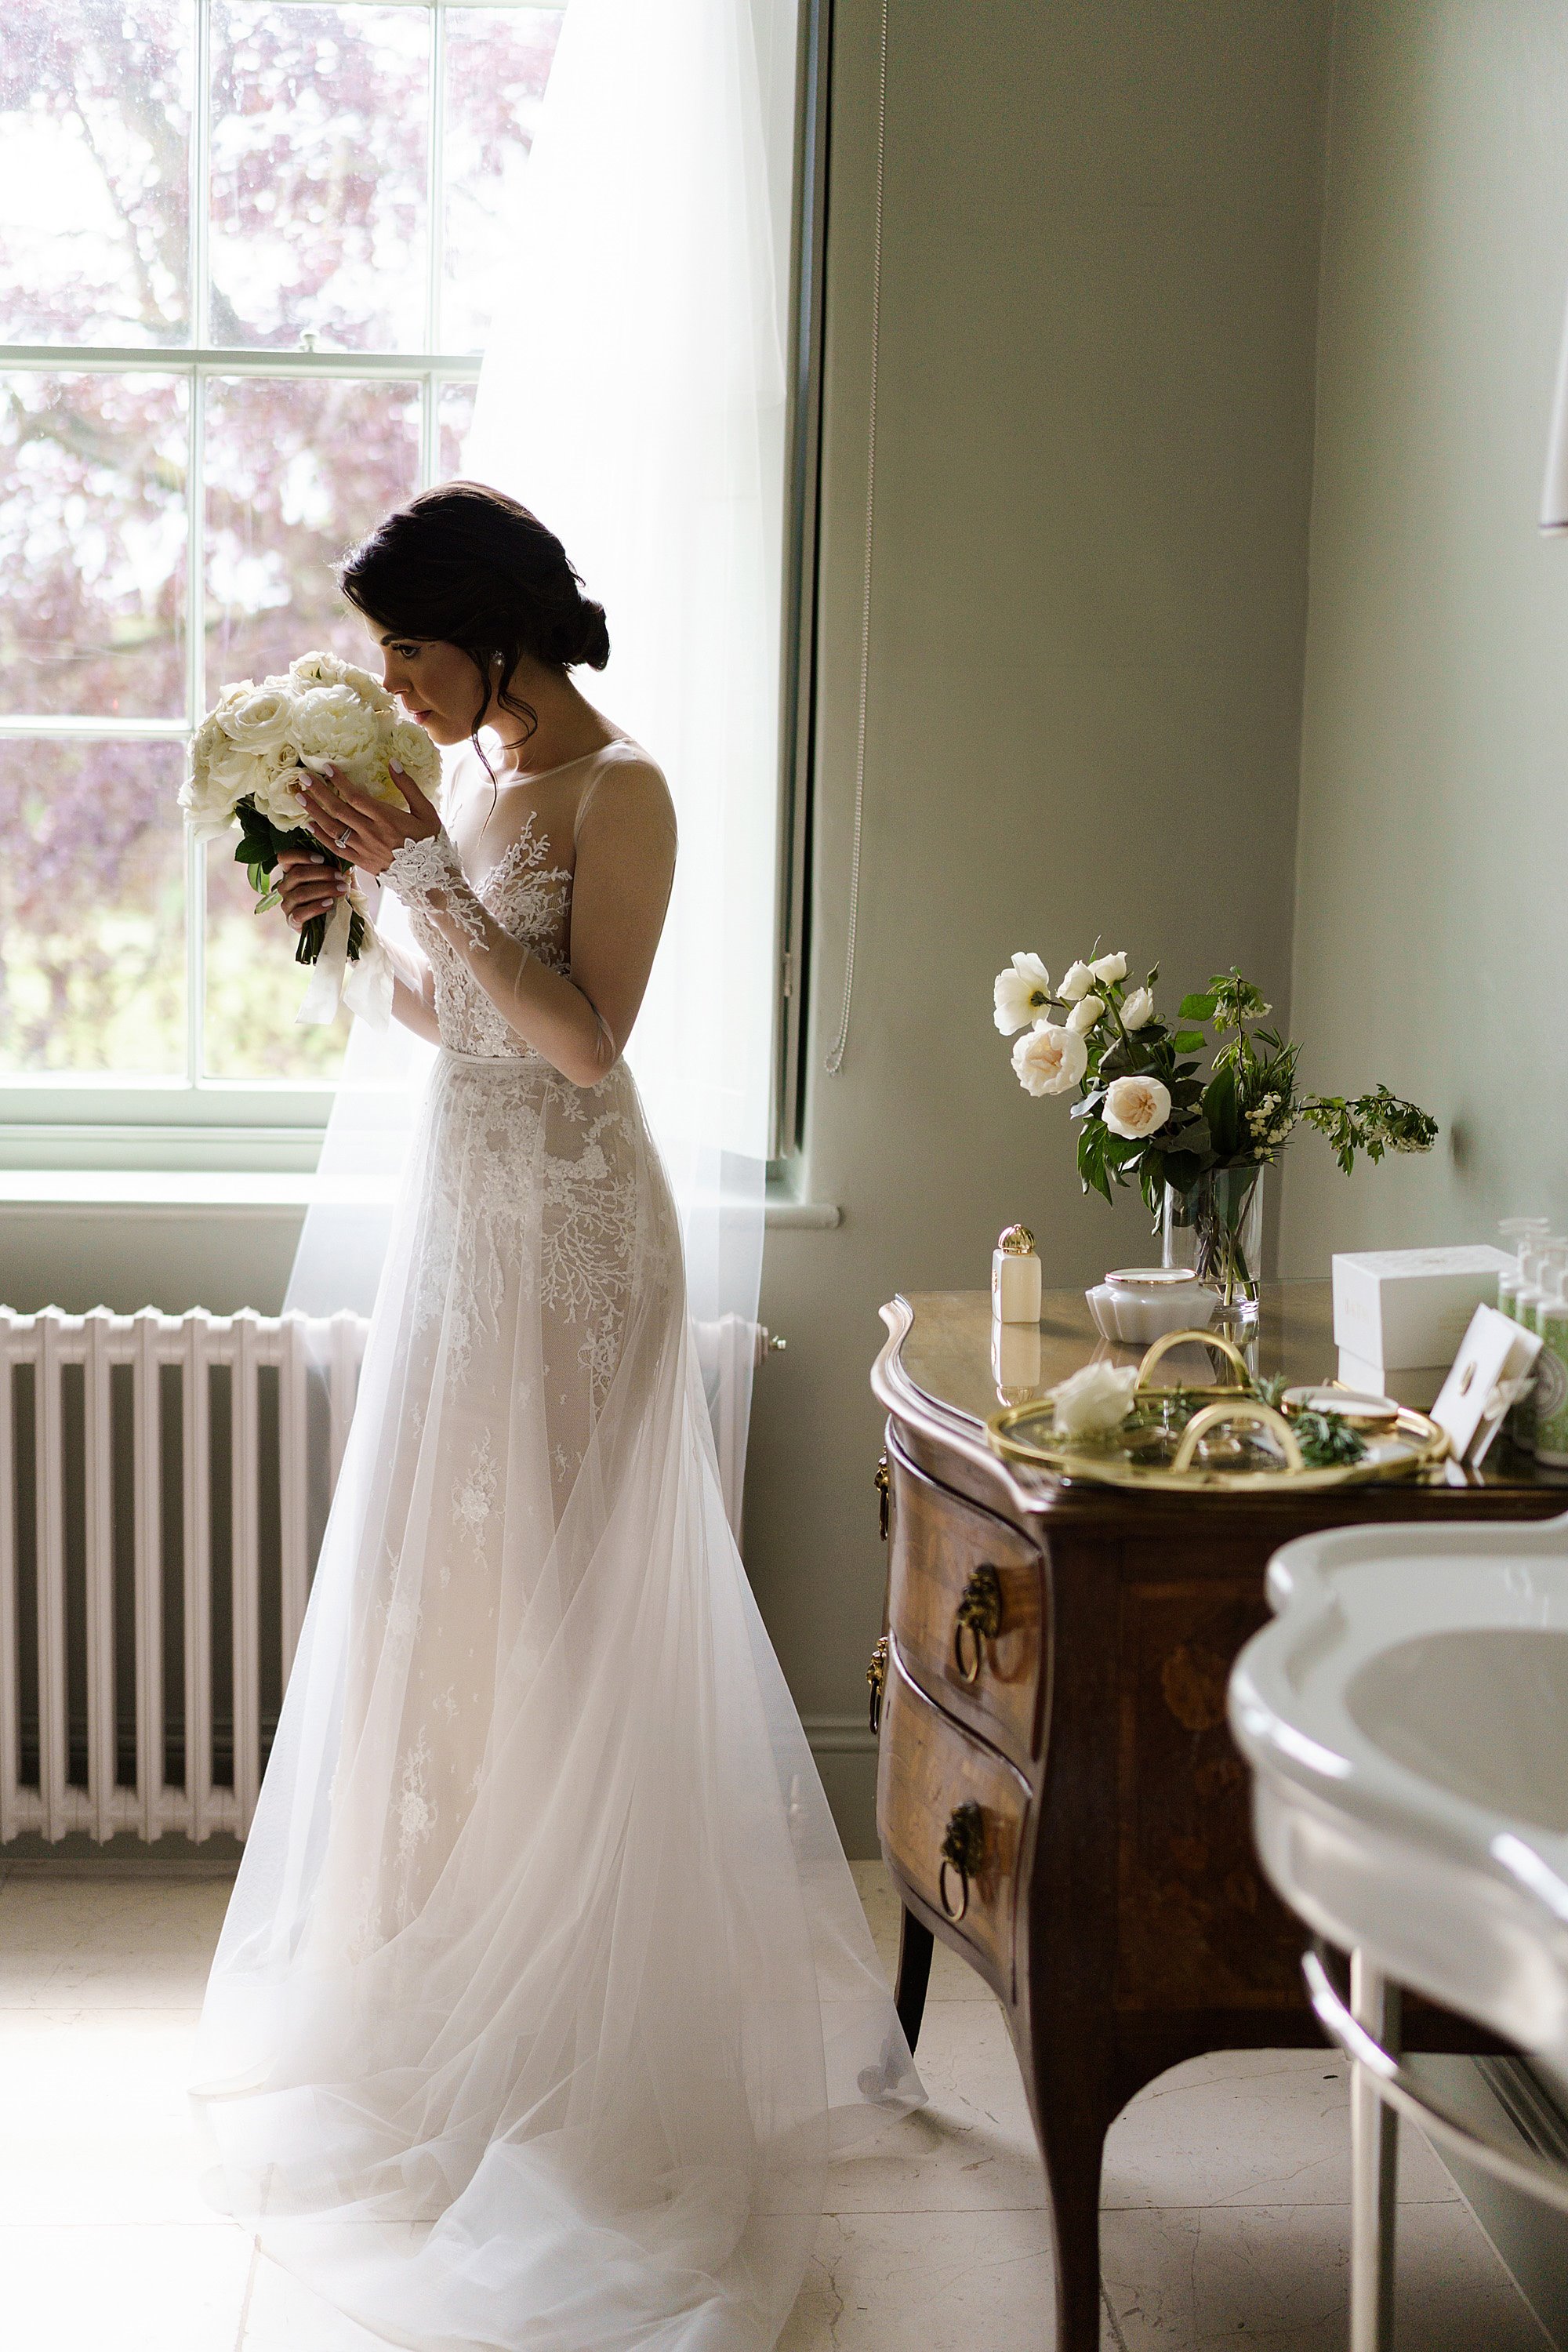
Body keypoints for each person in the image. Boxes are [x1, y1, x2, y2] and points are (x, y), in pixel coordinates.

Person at [188, 482, 920, 2352]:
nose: (392, 684)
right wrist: (362, 909)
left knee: (578, 1615)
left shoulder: (620, 793)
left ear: (494, 628)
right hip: (464, 1236)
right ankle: (463, 1990)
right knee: (456, 1614)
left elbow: (588, 1037)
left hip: (586, 1244)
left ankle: (596, 2024)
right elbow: (468, 1026)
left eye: (408, 649)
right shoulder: (477, 794)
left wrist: (421, 872)